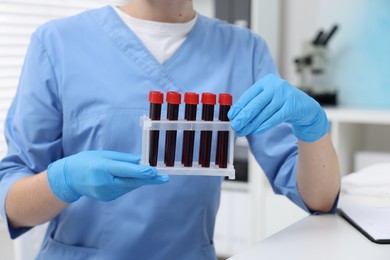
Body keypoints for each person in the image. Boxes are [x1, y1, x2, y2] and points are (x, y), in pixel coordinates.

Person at [0, 0, 340, 259]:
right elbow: (13, 206)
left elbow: (319, 200)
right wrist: (64, 181)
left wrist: (313, 128)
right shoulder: (58, 43)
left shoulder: (244, 50)